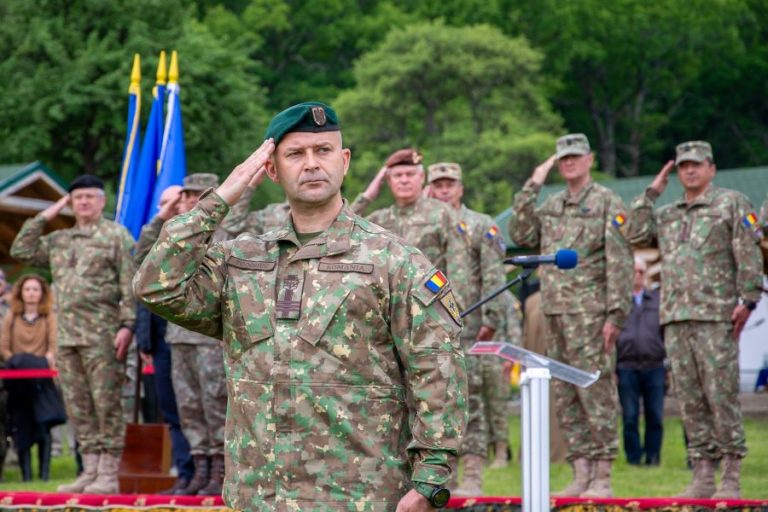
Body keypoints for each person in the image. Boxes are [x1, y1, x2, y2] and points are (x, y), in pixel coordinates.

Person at [134, 101, 468, 511]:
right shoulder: (241, 261)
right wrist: (221, 198)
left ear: (344, 161)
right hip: (260, 495)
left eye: (323, 150)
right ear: (271, 170)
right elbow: (155, 285)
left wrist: (431, 478)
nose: (311, 164)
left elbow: (437, 368)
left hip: (359, 496)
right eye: (295, 154)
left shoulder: (393, 260)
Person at [627, 141, 763, 498]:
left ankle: (730, 477)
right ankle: (702, 475)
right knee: (689, 399)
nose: (689, 170)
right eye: (684, 165)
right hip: (675, 317)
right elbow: (633, 233)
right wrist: (650, 194)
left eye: (697, 164)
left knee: (721, 395)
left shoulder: (730, 203)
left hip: (715, 315)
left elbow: (748, 252)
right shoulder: (668, 213)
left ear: (711, 169)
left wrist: (748, 300)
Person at [509, 133, 633, 498]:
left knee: (595, 391)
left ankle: (603, 475)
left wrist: (616, 314)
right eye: (564, 158)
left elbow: (620, 262)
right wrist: (533, 185)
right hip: (555, 313)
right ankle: (580, 471)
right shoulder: (552, 204)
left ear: (590, 159)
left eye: (576, 156)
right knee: (565, 394)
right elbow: (521, 232)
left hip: (591, 315)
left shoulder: (607, 201)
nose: (570, 162)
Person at [10, 175, 136, 494]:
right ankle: (89, 470)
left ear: (102, 201)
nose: (83, 202)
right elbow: (21, 249)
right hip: (67, 338)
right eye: (77, 197)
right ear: (70, 202)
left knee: (106, 405)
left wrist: (128, 326)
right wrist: (48, 214)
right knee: (78, 407)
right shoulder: (59, 240)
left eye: (90, 197)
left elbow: (129, 285)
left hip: (103, 336)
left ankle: (108, 474)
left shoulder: (116, 236)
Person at [135, 175, 228, 496]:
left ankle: (221, 470)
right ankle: (199, 468)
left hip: (211, 336)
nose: (189, 202)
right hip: (179, 336)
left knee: (215, 403)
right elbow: (142, 257)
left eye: (197, 196)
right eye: (186, 197)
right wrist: (163, 215)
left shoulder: (225, 232)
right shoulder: (176, 234)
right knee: (188, 407)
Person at [426, 161, 506, 493]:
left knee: (469, 400)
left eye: (450, 184)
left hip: (469, 324)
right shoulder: (424, 222)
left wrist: (492, 317)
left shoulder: (480, 224)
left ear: (461, 188)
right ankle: (446, 475)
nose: (444, 190)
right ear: (430, 189)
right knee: (435, 402)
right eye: (438, 184)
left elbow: (493, 273)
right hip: (428, 326)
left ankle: (473, 475)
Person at [134, 185, 195, 494]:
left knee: (199, 409)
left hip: (196, 338)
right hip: (162, 341)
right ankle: (186, 474)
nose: (172, 207)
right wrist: (144, 341)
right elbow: (140, 261)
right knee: (172, 411)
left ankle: (210, 473)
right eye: (165, 203)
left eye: (178, 201)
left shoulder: (198, 233)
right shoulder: (161, 238)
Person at [350, 149, 468, 281]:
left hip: (431, 292)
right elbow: (342, 227)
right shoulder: (379, 220)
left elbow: (459, 269)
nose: (404, 180)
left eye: (410, 174)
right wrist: (367, 197)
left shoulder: (443, 213)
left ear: (422, 177)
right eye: (398, 175)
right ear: (389, 180)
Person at [0, 274, 64, 481]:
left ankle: (44, 475)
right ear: (21, 292)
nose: (31, 293)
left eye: (35, 289)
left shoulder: (49, 317)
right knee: (22, 428)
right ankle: (26, 476)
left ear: (42, 293)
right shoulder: (11, 317)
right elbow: (4, 348)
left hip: (42, 381)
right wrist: (19, 362)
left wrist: (42, 362)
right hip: (18, 382)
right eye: (27, 289)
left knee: (44, 426)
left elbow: (53, 346)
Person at [615, 257, 665, 466]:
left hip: (654, 366)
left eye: (641, 272)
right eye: (634, 271)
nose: (637, 275)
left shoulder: (657, 301)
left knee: (655, 415)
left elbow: (665, 332)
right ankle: (633, 458)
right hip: (626, 366)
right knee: (630, 415)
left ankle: (653, 456)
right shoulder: (618, 303)